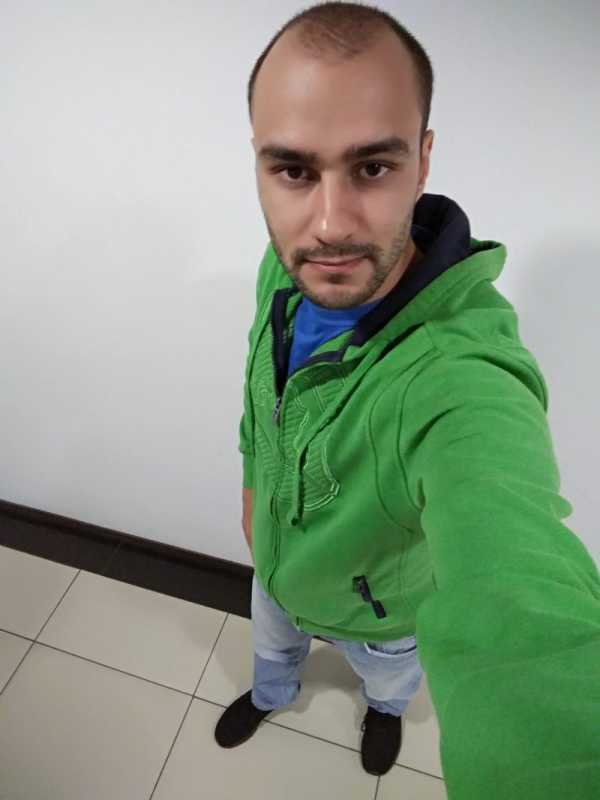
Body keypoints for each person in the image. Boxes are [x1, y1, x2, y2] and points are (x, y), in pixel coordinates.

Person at [214, 3, 600, 797]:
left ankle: (384, 712)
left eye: (371, 168)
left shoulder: (461, 374)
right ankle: (271, 695)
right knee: (272, 654)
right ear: (258, 162)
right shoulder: (283, 268)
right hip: (276, 571)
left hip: (386, 621)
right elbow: (261, 392)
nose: (329, 225)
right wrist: (254, 483)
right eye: (294, 171)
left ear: (422, 161)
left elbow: (520, 597)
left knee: (389, 681)